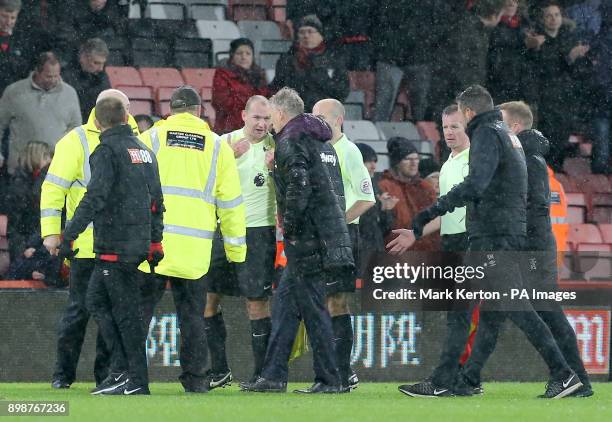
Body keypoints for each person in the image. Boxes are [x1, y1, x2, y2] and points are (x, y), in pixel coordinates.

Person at [390, 85, 582, 399]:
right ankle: (450, 379)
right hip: (501, 232)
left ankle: (562, 374)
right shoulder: (506, 136)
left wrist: (432, 211)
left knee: (512, 307)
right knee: (464, 308)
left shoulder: (486, 135)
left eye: (457, 121)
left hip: (492, 236)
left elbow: (476, 184)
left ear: (467, 113)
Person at [459, 100, 593, 397]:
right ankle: (469, 377)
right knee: (494, 311)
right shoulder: (531, 158)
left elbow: (531, 208)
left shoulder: (527, 160)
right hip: (531, 246)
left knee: (547, 312)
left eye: (501, 123)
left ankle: (574, 378)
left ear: (515, 127)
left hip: (531, 249)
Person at [241, 87, 354, 394]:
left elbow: (300, 187)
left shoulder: (290, 140)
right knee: (284, 309)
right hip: (325, 232)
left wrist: (288, 227)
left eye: (272, 116)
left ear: (279, 113)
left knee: (314, 309)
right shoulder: (321, 140)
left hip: (307, 237)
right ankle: (274, 375)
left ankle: (330, 379)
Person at [138, 86, 246, 393]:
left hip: (152, 246)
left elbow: (133, 192)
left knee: (139, 316)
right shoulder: (216, 146)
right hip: (196, 251)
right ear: (199, 111)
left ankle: (133, 378)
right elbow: (231, 203)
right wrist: (236, 252)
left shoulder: (150, 140)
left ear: (170, 110)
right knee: (193, 319)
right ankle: (196, 381)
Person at [55, 96, 164, 396]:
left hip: (114, 244)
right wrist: (156, 240)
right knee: (99, 302)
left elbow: (95, 197)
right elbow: (157, 201)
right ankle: (126, 375)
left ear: (99, 122)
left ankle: (132, 379)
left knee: (121, 312)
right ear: (127, 119)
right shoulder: (144, 152)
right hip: (137, 242)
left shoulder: (106, 151)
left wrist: (69, 235)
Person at [41, 89, 139, 389]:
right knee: (81, 312)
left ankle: (105, 377)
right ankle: (65, 375)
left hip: (116, 245)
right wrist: (51, 233)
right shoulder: (76, 141)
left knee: (101, 314)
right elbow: (53, 189)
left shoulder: (136, 138)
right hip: (89, 244)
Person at [204, 95, 276, 388]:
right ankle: (219, 370)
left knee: (257, 304)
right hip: (221, 230)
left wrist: (276, 170)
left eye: (267, 119)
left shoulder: (279, 147)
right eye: (256, 117)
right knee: (208, 300)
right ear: (244, 115)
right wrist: (227, 158)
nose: (261, 123)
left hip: (259, 232)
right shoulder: (223, 144)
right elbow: (203, 182)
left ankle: (262, 374)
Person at [312, 98, 375, 390]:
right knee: (323, 303)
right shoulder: (318, 149)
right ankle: (337, 370)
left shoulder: (349, 152)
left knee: (336, 301)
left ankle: (342, 371)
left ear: (338, 120)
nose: (315, 122)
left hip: (344, 237)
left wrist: (337, 223)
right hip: (319, 237)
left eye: (320, 117)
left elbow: (366, 198)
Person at [526, 1, 588, 170]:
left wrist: (575, 59)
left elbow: (578, 70)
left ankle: (557, 166)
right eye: (549, 15)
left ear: (562, 18)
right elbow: (544, 67)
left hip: (566, 94)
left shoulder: (568, 39)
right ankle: (547, 167)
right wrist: (569, 58)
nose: (553, 19)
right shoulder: (537, 40)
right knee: (548, 132)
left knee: (563, 132)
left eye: (556, 15)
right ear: (543, 19)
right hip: (546, 94)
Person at [0, 51, 81, 172]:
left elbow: (76, 129)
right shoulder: (14, 92)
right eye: (48, 76)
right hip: (20, 168)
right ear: (37, 72)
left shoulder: (70, 93)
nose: (53, 80)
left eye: (56, 76)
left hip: (56, 169)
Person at [269, 15, 349, 112]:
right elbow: (278, 88)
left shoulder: (334, 60)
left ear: (321, 35)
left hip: (325, 115)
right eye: (302, 32)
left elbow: (342, 91)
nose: (306, 36)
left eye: (310, 31)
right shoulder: (287, 60)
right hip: (294, 115)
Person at [378, 137, 440, 251]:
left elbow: (437, 219)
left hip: (428, 253)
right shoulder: (384, 187)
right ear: (396, 163)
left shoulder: (425, 187)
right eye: (408, 159)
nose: (414, 163)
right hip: (398, 253)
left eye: (416, 159)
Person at [354, 142, 397, 275]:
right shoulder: (351, 188)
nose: (374, 166)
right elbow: (358, 224)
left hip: (375, 253)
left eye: (375, 161)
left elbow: (384, 229)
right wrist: (376, 206)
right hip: (358, 255)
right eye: (368, 162)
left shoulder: (374, 187)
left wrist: (385, 210)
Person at [212, 38, 270, 135]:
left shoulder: (259, 75)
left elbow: (265, 101)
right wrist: (252, 106)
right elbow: (223, 103)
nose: (244, 57)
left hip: (256, 130)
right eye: (239, 53)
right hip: (229, 130)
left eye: (248, 53)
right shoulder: (222, 74)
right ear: (232, 56)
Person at [0, 0, 51, 95]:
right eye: (4, 16)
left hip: (17, 95)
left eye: (12, 18)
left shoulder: (24, 38)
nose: (8, 22)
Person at [63, 38, 111, 123]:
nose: (101, 68)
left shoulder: (102, 77)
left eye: (103, 63)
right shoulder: (66, 76)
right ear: (83, 58)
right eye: (96, 63)